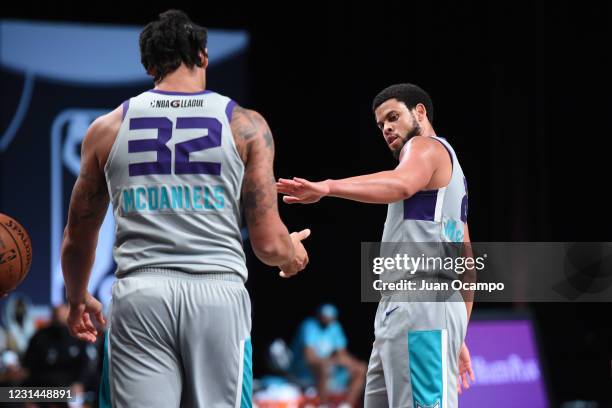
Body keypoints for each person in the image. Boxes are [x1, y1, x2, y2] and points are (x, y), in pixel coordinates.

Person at [60, 9, 310, 408]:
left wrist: (76, 297)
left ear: (148, 66)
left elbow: (79, 233)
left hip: (142, 295)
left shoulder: (106, 129)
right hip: (217, 294)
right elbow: (267, 243)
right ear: (203, 56)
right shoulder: (245, 125)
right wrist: (291, 253)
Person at [277, 83, 475, 408]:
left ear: (420, 112)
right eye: (381, 124)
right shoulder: (449, 176)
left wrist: (327, 187)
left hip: (420, 304)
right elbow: (468, 263)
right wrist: (457, 332)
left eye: (393, 117)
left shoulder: (423, 147)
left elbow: (401, 183)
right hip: (413, 309)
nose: (386, 128)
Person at [290, 304, 366, 407]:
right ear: (319, 316)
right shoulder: (309, 325)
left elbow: (342, 354)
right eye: (324, 317)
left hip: (330, 368)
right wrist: (334, 361)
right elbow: (310, 357)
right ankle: (323, 405)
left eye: (330, 318)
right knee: (325, 367)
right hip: (305, 371)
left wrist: (350, 363)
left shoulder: (334, 326)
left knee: (361, 368)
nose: (327, 321)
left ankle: (346, 405)